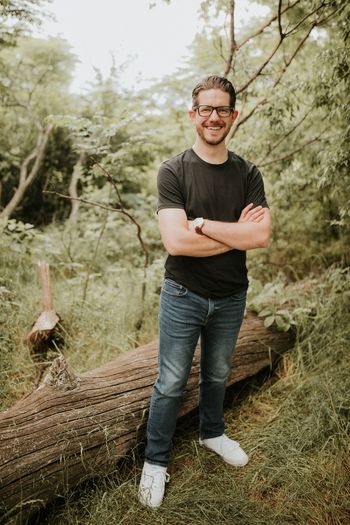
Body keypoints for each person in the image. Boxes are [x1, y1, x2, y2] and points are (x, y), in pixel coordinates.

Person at [138, 75, 271, 508]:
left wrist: (205, 225)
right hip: (184, 293)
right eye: (206, 109)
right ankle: (155, 462)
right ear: (193, 114)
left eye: (222, 110)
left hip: (232, 294)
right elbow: (176, 243)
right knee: (171, 381)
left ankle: (212, 433)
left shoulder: (248, 172)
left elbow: (262, 236)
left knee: (217, 373)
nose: (214, 117)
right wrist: (237, 233)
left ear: (233, 115)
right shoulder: (173, 171)